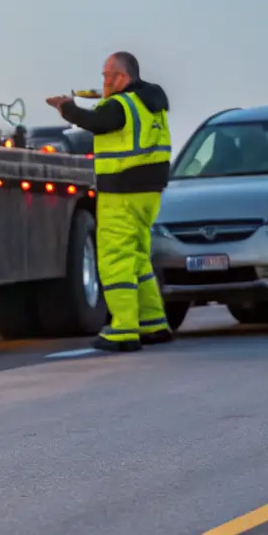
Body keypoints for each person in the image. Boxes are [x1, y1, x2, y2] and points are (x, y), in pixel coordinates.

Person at [47, 52, 172, 352]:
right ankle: (153, 322)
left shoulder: (121, 105)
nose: (103, 82)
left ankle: (124, 328)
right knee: (138, 258)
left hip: (122, 192)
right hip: (148, 193)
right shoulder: (149, 102)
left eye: (107, 76)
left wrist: (67, 108)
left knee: (115, 258)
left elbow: (97, 122)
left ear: (122, 78)